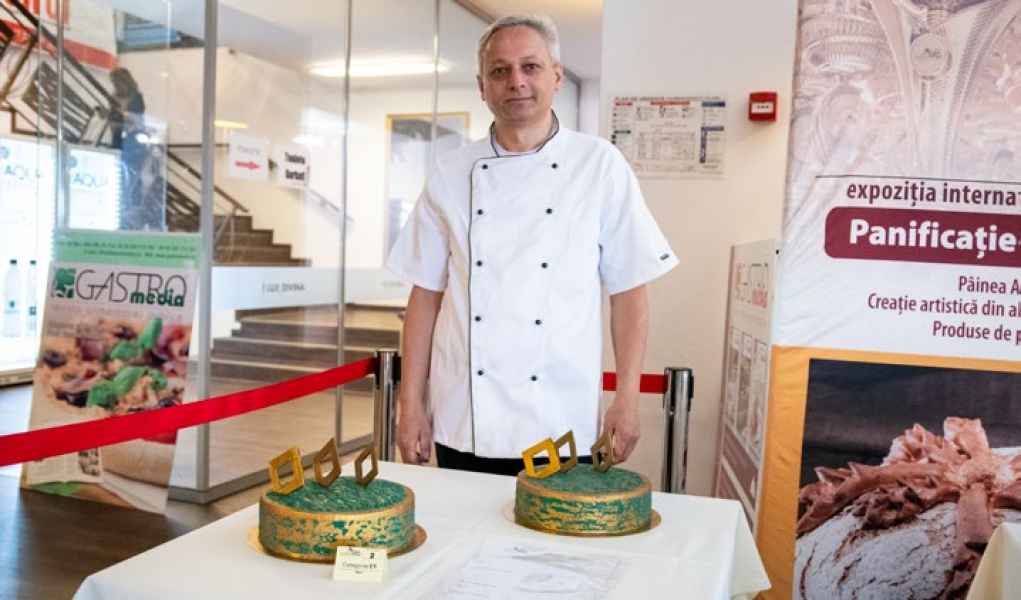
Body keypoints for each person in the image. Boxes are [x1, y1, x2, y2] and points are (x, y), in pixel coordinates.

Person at [387, 15, 677, 476]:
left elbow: (629, 292)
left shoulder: (599, 165)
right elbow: (425, 296)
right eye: (499, 71)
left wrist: (626, 398)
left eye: (530, 67)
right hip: (465, 415)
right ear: (482, 87)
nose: (516, 82)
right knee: (464, 522)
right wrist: (411, 405)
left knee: (556, 525)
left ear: (556, 76)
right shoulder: (450, 171)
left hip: (560, 414)